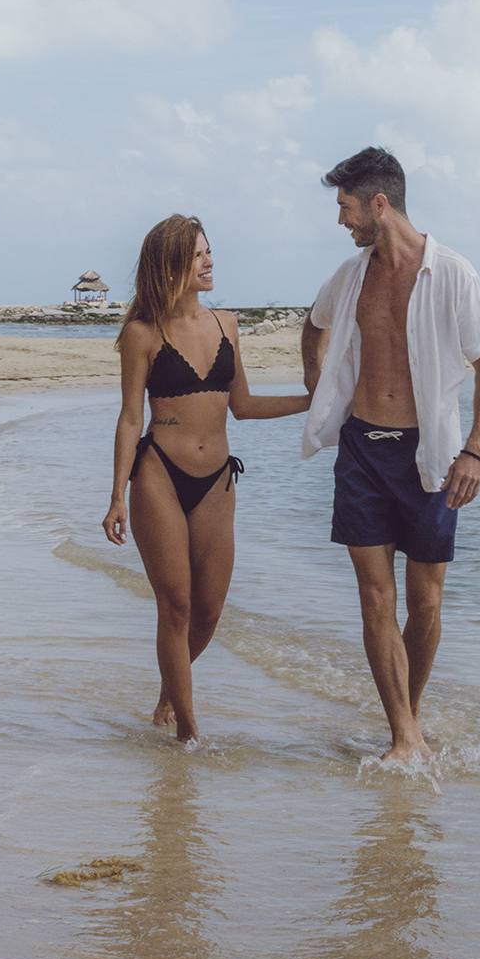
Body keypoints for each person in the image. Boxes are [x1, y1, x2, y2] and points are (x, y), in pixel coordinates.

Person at [300, 148, 480, 763]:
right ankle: (404, 736)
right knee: (373, 597)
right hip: (362, 449)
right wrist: (321, 390)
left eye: (345, 207)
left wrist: (476, 451)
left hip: (432, 456)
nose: (341, 220)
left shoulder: (453, 273)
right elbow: (314, 326)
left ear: (378, 205)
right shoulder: (349, 275)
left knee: (426, 602)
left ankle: (407, 720)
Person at [104, 214, 311, 743]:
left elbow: (242, 405)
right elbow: (130, 418)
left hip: (218, 476)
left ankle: (169, 694)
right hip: (158, 476)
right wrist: (116, 497)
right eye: (198, 254)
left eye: (209, 251)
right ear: (171, 263)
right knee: (175, 604)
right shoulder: (141, 333)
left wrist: (317, 405)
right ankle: (189, 733)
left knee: (210, 610)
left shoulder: (227, 324)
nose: (209, 261)